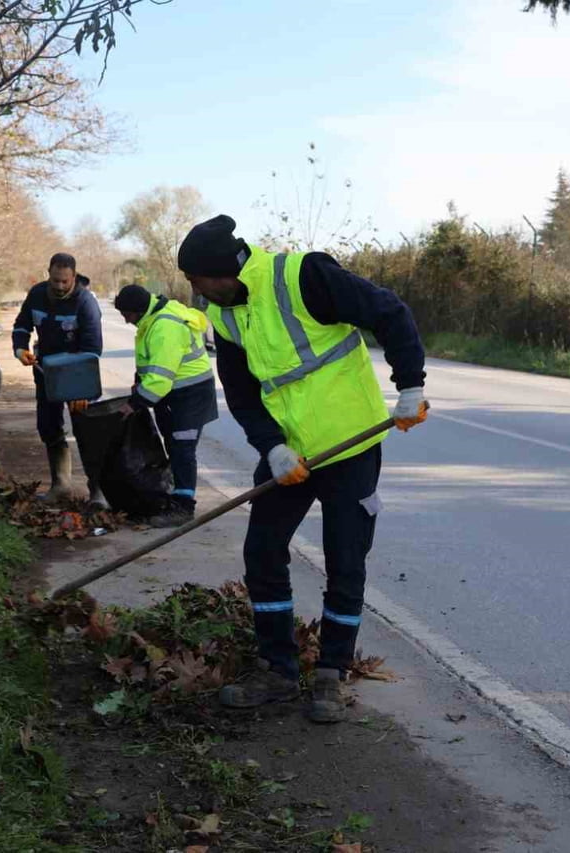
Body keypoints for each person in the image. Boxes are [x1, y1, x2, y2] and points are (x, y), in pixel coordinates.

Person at [178, 214, 428, 724]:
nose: (195, 291)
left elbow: (390, 312)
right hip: (292, 456)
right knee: (262, 552)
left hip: (351, 447)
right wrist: (271, 448)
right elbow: (243, 393)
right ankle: (278, 669)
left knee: (345, 560)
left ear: (223, 271)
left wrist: (411, 386)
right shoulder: (223, 316)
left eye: (197, 280)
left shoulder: (303, 276)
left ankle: (332, 673)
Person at [113, 284, 219, 528]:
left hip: (189, 395)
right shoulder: (152, 319)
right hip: (176, 395)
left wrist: (134, 403)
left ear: (138, 311)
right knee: (174, 445)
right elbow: (151, 362)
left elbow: (161, 378)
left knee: (182, 449)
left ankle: (184, 507)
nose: (126, 320)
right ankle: (175, 495)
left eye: (127, 315)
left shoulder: (164, 327)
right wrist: (139, 382)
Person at [12, 253, 105, 504]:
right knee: (48, 427)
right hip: (46, 372)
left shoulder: (85, 302)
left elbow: (92, 349)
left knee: (86, 431)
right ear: (49, 274)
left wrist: (82, 390)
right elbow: (22, 325)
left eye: (65, 281)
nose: (60, 286)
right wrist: (20, 349)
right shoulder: (36, 295)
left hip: (78, 376)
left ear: (74, 277)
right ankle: (61, 485)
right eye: (55, 280)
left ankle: (98, 490)